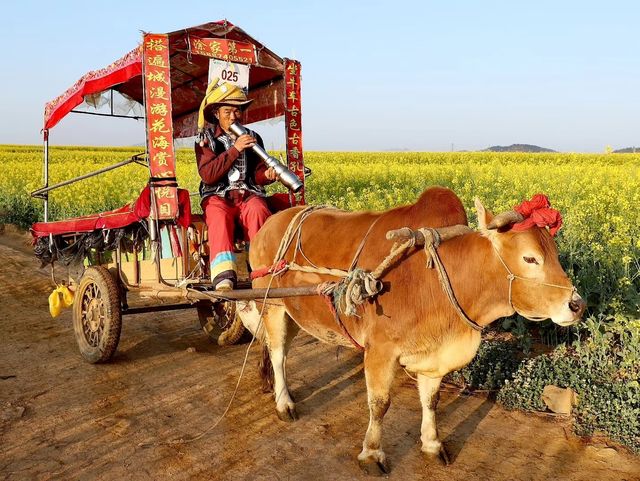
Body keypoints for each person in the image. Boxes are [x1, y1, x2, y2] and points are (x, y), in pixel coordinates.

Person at [195, 80, 277, 291]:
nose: (233, 116)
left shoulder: (253, 137)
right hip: (218, 197)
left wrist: (266, 175)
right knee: (217, 215)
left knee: (259, 209)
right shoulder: (206, 140)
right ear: (216, 113)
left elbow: (256, 174)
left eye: (237, 111)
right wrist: (235, 149)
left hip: (247, 195)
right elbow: (208, 175)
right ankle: (223, 277)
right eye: (227, 111)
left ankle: (260, 271)